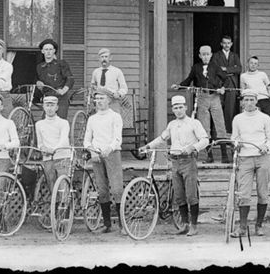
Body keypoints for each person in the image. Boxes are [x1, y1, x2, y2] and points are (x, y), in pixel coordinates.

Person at [139, 94, 209, 236]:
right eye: (175, 108)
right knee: (179, 195)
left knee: (191, 194)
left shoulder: (194, 123)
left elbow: (205, 140)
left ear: (186, 108)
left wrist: (193, 147)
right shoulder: (171, 125)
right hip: (175, 162)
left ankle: (194, 225)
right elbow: (162, 138)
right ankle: (184, 224)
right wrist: (147, 146)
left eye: (180, 107)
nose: (178, 110)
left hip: (188, 161)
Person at [230, 89, 270, 237]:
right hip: (245, 158)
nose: (249, 103)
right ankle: (243, 227)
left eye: (251, 99)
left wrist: (266, 147)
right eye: (246, 100)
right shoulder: (237, 119)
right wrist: (236, 143)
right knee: (244, 193)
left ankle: (259, 225)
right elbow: (234, 137)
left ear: (256, 101)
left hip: (262, 157)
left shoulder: (265, 118)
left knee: (262, 192)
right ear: (242, 101)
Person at [174, 45, 230, 163]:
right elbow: (188, 80)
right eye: (203, 54)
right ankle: (209, 156)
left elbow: (226, 78)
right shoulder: (196, 67)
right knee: (205, 127)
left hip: (214, 97)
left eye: (207, 54)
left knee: (220, 124)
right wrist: (179, 86)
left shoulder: (215, 66)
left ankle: (225, 156)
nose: (205, 57)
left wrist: (222, 88)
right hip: (202, 98)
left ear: (211, 55)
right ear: (200, 55)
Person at [83, 91, 125, 234]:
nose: (99, 101)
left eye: (102, 98)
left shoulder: (115, 117)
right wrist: (93, 151)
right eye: (97, 99)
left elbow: (118, 138)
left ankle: (122, 225)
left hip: (112, 154)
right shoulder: (92, 119)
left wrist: (109, 148)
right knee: (102, 190)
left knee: (117, 189)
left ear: (109, 101)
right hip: (96, 156)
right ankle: (107, 224)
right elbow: (87, 140)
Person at [34, 94, 71, 192]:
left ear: (57, 107)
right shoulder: (39, 124)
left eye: (52, 105)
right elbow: (40, 143)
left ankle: (65, 205)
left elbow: (63, 140)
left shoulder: (63, 123)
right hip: (47, 159)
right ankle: (54, 206)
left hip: (62, 158)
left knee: (63, 188)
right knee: (52, 187)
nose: (50, 108)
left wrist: (53, 149)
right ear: (44, 107)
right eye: (47, 105)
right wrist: (43, 149)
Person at [35, 38, 73, 119]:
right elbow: (39, 81)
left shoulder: (61, 63)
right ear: (42, 51)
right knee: (45, 122)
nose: (48, 51)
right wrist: (39, 83)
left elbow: (70, 79)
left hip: (60, 98)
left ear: (54, 51)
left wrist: (63, 90)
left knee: (60, 121)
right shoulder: (40, 67)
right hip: (48, 97)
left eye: (50, 49)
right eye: (46, 49)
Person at [212, 36, 242, 129]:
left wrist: (226, 69)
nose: (226, 45)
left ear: (231, 44)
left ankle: (228, 134)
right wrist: (231, 70)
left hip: (231, 84)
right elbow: (215, 69)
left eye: (228, 43)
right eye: (224, 43)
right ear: (221, 44)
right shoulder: (216, 55)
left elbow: (239, 69)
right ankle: (217, 134)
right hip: (220, 84)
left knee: (230, 110)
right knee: (217, 109)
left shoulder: (234, 55)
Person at [90, 47, 128, 115]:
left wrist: (118, 94)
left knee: (114, 121)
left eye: (106, 57)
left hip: (113, 101)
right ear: (99, 59)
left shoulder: (117, 71)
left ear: (110, 58)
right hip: (100, 101)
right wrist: (93, 89)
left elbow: (124, 88)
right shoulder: (96, 72)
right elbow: (93, 85)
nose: (104, 59)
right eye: (102, 57)